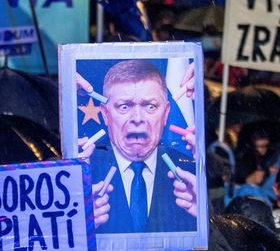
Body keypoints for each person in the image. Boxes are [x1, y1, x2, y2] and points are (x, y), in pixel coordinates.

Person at [81, 60, 198, 234]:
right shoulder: (84, 174)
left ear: (166, 113)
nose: (137, 118)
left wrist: (202, 218)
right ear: (105, 114)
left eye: (150, 106)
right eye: (124, 106)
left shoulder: (191, 174)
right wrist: (78, 227)